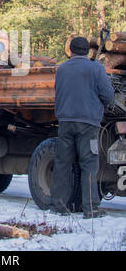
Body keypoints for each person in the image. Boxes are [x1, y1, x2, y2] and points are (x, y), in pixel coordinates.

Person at [50, 36, 115, 219]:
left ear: (70, 51)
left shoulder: (61, 69)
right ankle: (91, 208)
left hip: (65, 122)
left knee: (62, 163)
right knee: (89, 164)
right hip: (88, 124)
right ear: (87, 51)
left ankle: (57, 206)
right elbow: (108, 96)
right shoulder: (95, 68)